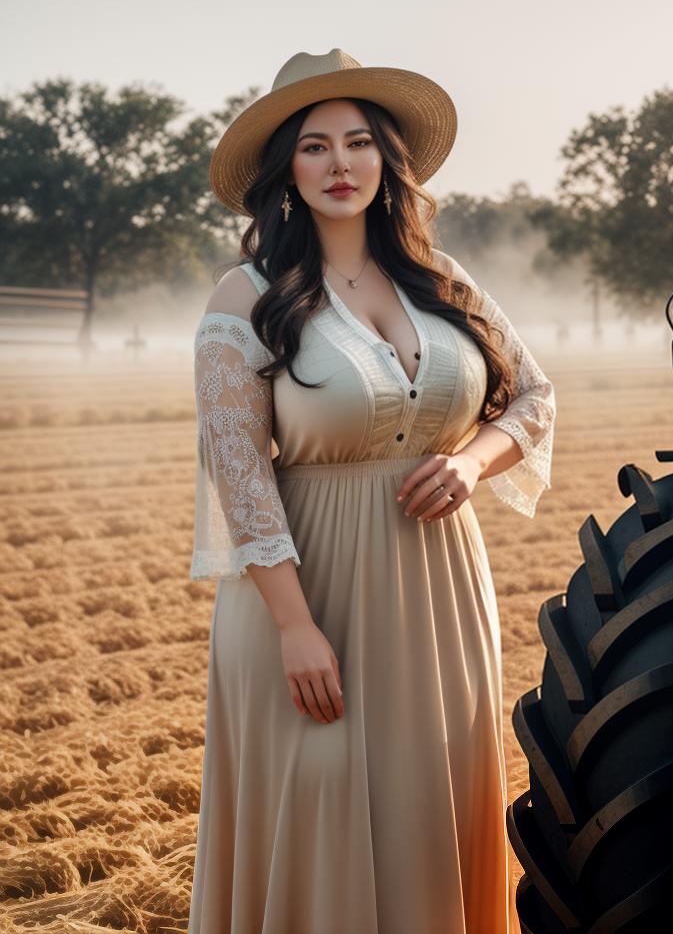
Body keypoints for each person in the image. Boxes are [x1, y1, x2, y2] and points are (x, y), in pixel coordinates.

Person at [187, 48, 555, 933]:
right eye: (315, 147)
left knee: (426, 804)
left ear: (389, 161)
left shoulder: (444, 279)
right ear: (286, 170)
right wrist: (293, 626)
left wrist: (472, 462)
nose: (340, 164)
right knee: (318, 808)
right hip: (305, 596)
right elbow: (239, 477)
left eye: (358, 143)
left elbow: (536, 399)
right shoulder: (244, 297)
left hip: (437, 591)